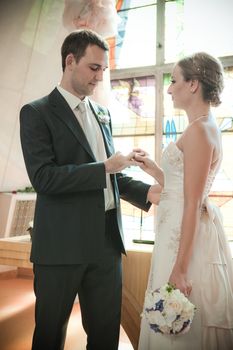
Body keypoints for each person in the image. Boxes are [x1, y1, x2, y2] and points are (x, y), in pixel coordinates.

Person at [20, 29, 158, 350]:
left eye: (104, 70)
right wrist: (106, 167)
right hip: (60, 248)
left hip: (107, 244)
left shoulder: (102, 113)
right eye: (94, 68)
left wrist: (147, 193)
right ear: (70, 61)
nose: (99, 77)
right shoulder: (36, 113)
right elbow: (45, 178)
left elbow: (108, 176)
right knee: (50, 335)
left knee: (105, 335)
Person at [136, 52, 233, 349]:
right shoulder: (203, 127)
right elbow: (185, 189)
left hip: (182, 240)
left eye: (174, 81)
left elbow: (192, 202)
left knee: (177, 322)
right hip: (173, 233)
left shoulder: (200, 130)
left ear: (193, 85)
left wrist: (180, 267)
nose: (168, 88)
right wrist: (155, 170)